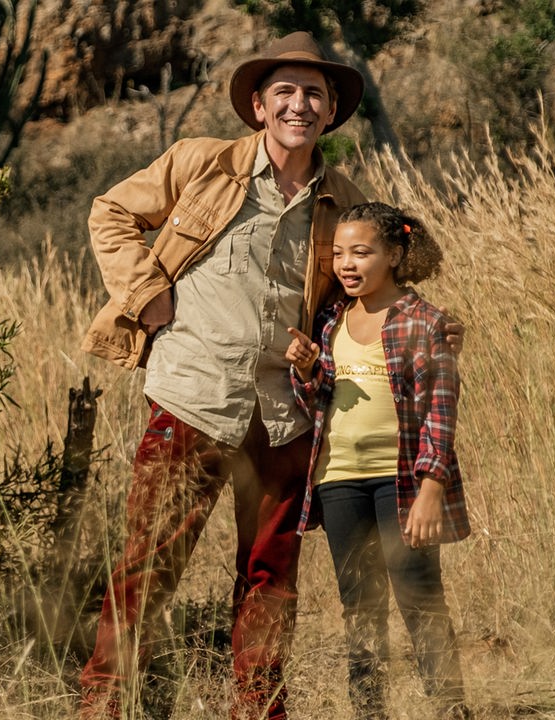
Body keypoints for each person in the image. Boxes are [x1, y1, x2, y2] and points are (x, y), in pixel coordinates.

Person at [77, 31, 370, 720]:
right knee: (147, 568)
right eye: (286, 92)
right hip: (191, 400)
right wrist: (147, 293)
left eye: (314, 95)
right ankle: (103, 706)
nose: (300, 105)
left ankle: (258, 709)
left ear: (329, 113)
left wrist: (326, 350)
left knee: (270, 578)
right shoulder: (201, 163)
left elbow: (368, 290)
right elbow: (111, 212)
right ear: (260, 108)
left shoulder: (346, 203)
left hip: (282, 417)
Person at [285, 203, 471, 720]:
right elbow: (319, 401)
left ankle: (451, 709)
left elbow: (440, 406)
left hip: (401, 482)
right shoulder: (330, 322)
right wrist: (308, 372)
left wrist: (431, 488)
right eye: (339, 253)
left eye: (361, 252)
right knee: (359, 605)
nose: (346, 263)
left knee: (419, 596)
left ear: (393, 254)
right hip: (338, 479)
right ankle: (369, 711)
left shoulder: (424, 321)